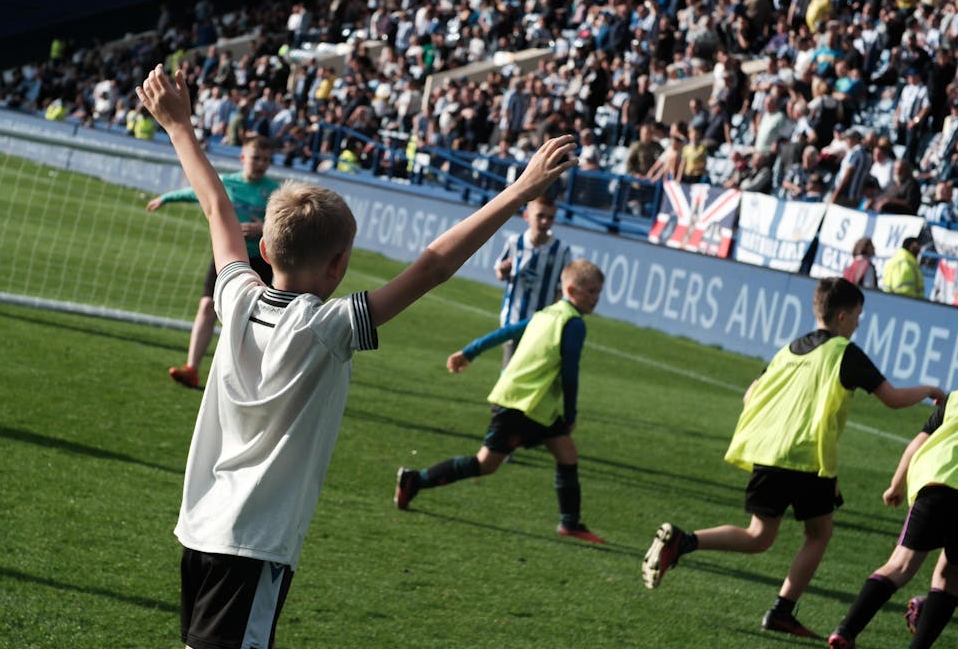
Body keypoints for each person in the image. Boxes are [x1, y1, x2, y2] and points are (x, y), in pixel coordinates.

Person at [134, 64, 576, 649]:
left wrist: (179, 125)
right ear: (340, 267)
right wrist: (519, 190)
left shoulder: (234, 293)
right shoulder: (329, 327)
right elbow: (433, 267)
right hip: (255, 541)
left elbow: (217, 209)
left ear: (263, 248)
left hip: (200, 526)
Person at [642, 278, 944, 638]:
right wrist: (929, 390)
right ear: (844, 316)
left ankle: (685, 541)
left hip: (768, 453)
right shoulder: (844, 353)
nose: (860, 324)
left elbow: (751, 394)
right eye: (859, 316)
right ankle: (781, 611)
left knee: (760, 535)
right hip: (807, 458)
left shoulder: (789, 349)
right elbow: (892, 398)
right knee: (818, 534)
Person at [393, 259, 606, 542]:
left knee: (567, 455)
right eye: (591, 291)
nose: (596, 298)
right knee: (486, 464)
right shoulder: (574, 324)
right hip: (521, 406)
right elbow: (570, 372)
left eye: (598, 292)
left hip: (533, 405)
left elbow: (507, 332)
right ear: (571, 289)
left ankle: (570, 523)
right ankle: (415, 480)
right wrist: (571, 413)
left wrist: (469, 352)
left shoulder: (548, 314)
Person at [827, 338, 958, 649]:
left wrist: (896, 483)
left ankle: (847, 629)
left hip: (935, 488)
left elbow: (916, 444)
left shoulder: (956, 401)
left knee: (899, 565)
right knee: (950, 575)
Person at [146, 135, 280, 389]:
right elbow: (197, 192)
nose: (260, 163)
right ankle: (192, 368)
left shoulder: (275, 192)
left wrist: (263, 229)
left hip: (262, 260)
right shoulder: (227, 183)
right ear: (243, 158)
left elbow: (287, 223)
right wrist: (166, 198)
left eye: (265, 159)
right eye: (255, 157)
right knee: (207, 306)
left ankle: (253, 380)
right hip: (228, 257)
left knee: (254, 321)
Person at [493, 195, 570, 365]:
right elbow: (499, 272)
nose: (544, 222)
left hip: (541, 327)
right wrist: (503, 270)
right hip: (513, 321)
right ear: (527, 216)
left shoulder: (561, 250)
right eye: (540, 216)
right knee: (509, 374)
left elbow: (562, 290)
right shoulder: (515, 242)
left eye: (550, 218)